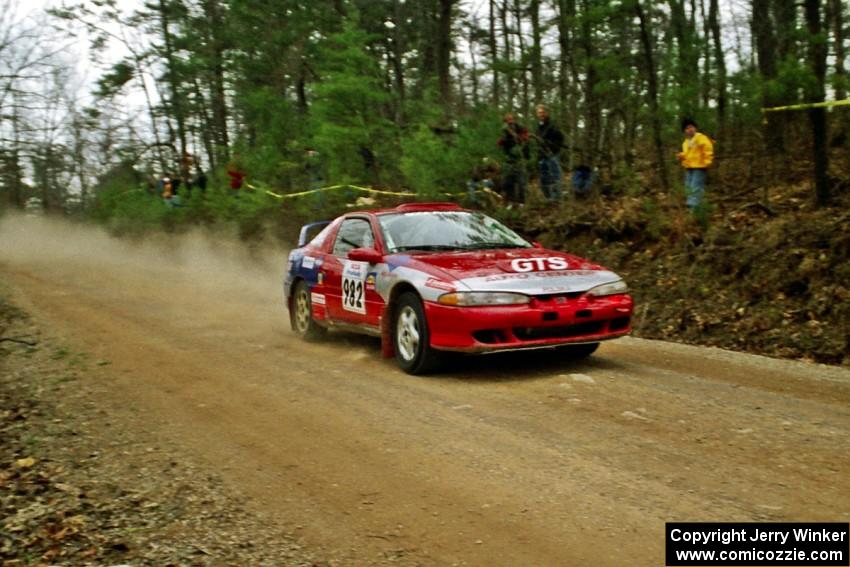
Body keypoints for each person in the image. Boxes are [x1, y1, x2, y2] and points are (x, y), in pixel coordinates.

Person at [676, 118, 714, 212]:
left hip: (700, 167)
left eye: (692, 127)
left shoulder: (701, 138)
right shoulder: (686, 142)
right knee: (688, 186)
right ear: (684, 131)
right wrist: (682, 156)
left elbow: (708, 149)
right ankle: (694, 206)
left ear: (695, 128)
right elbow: (688, 153)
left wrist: (707, 161)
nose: (690, 129)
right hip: (689, 167)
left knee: (695, 186)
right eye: (687, 128)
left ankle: (694, 208)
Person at [496, 113, 530, 203]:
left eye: (511, 119)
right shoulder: (504, 130)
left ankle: (522, 201)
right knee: (508, 182)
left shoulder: (520, 128)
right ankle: (511, 201)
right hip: (508, 160)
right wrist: (502, 141)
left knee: (521, 182)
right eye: (508, 120)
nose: (510, 121)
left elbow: (525, 139)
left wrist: (516, 137)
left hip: (519, 159)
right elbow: (500, 143)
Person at [535, 104, 565, 200]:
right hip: (542, 156)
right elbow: (537, 141)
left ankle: (557, 197)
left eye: (543, 112)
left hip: (552, 155)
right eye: (539, 113)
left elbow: (560, 139)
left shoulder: (553, 125)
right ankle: (548, 198)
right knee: (544, 177)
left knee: (555, 175)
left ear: (547, 113)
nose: (541, 114)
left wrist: (553, 150)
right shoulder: (539, 127)